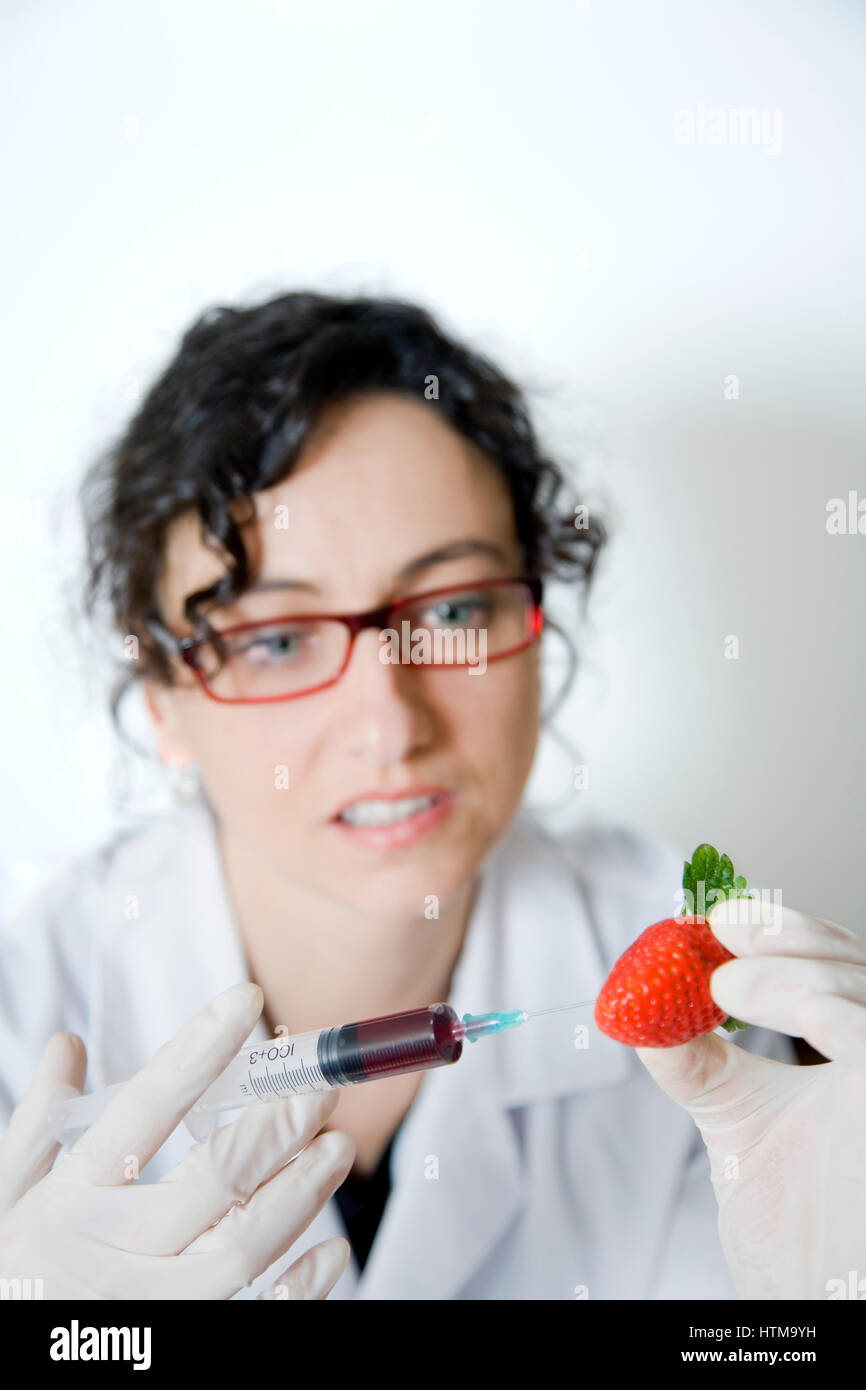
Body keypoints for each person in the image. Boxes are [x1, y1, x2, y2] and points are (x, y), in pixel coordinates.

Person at [0, 292, 863, 1300]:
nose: (391, 722)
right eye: (277, 638)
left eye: (451, 610)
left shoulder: (699, 980)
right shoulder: (30, 1007)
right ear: (164, 700)